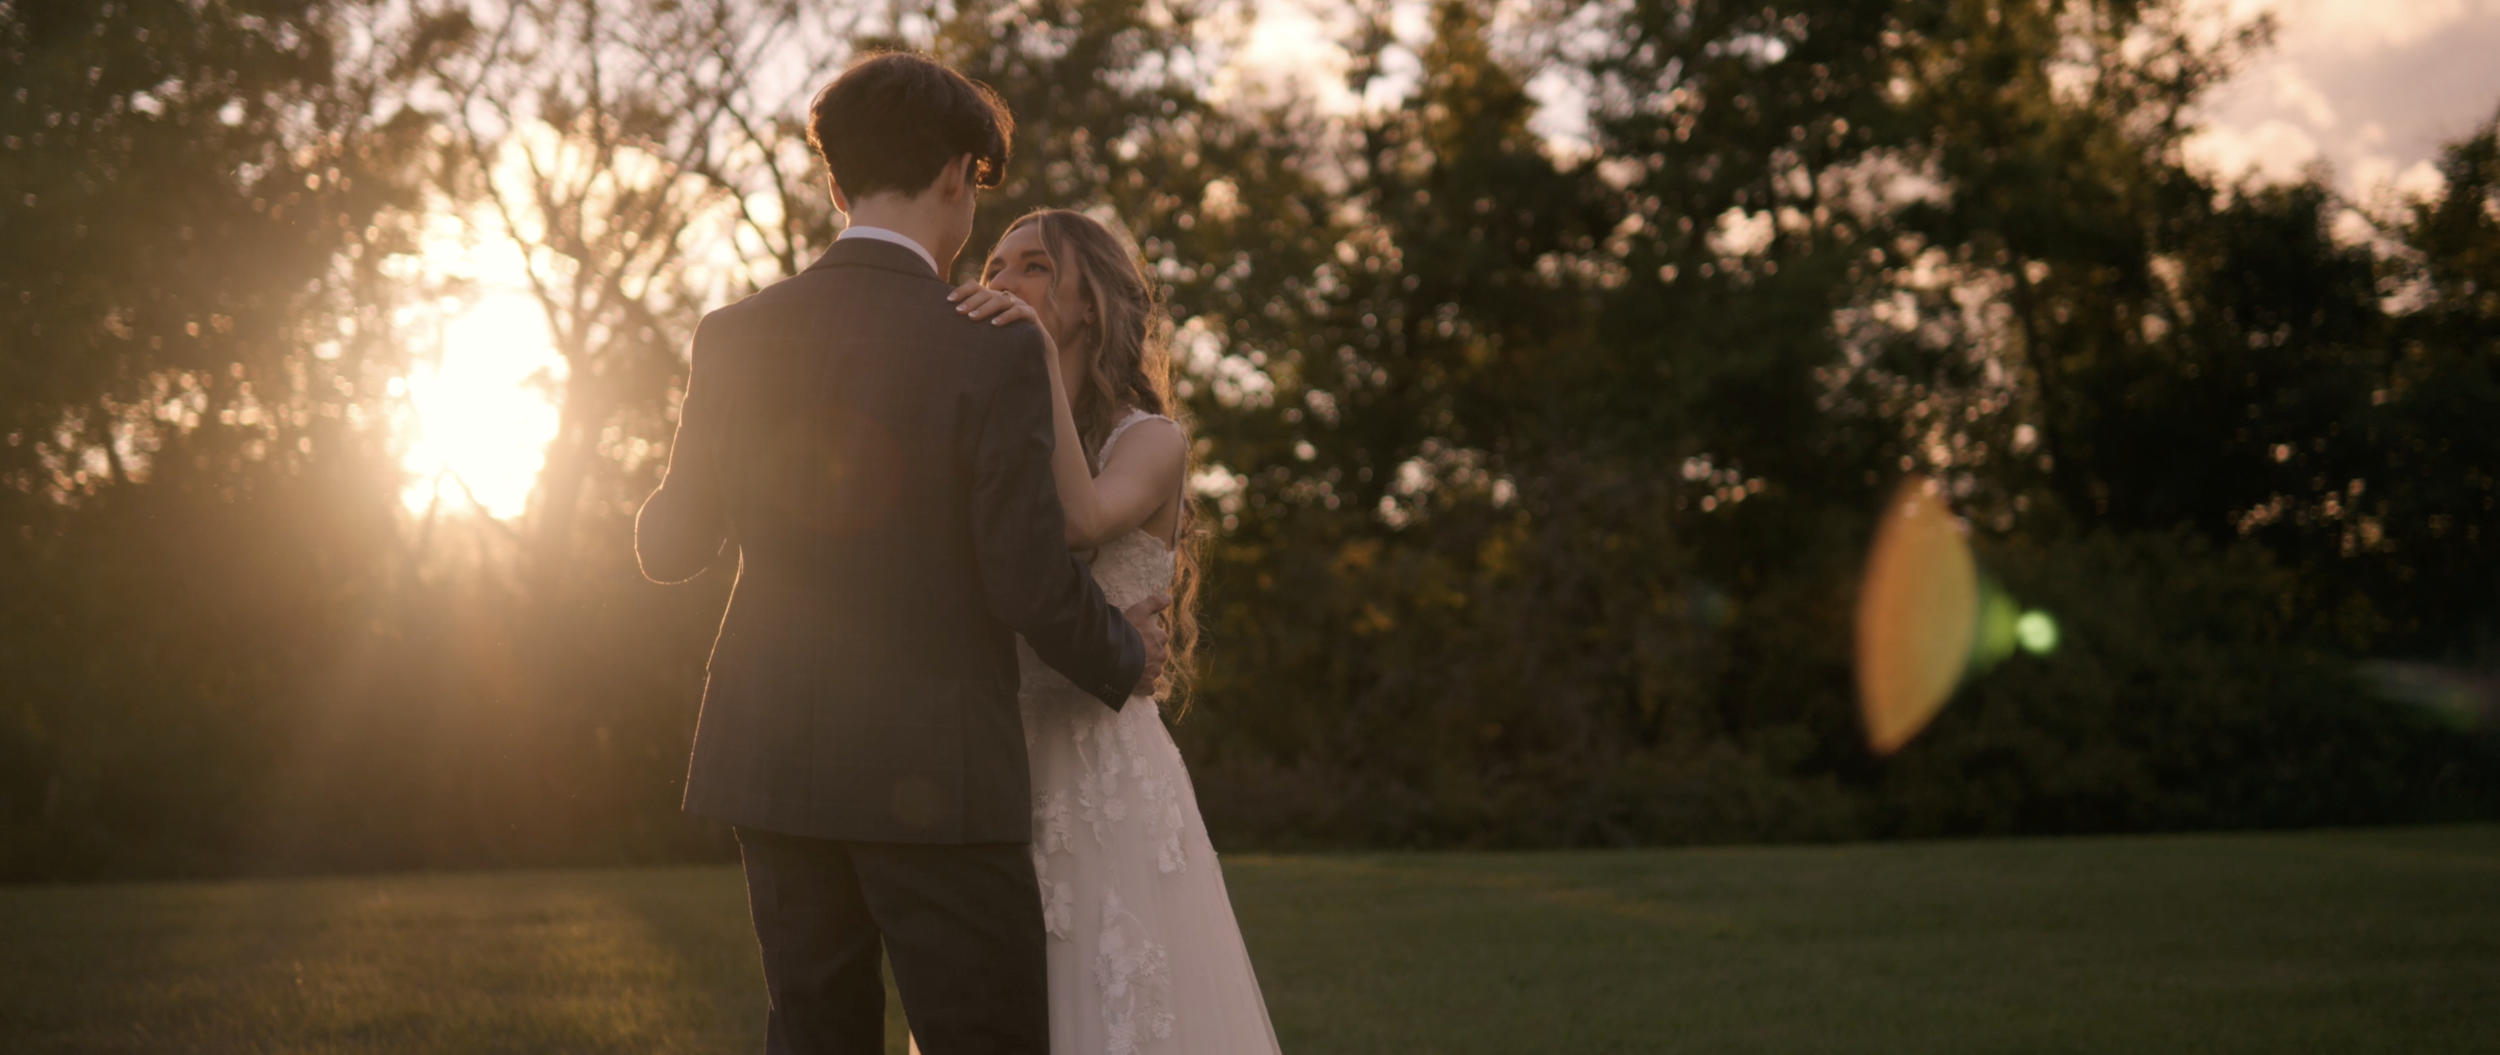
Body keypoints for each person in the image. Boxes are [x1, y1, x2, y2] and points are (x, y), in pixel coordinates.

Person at [634, 53, 1172, 1055]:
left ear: (836, 182)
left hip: (769, 753)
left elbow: (672, 543)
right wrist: (1121, 654)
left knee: (815, 1029)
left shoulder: (732, 333)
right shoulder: (989, 344)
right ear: (957, 179)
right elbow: (1021, 572)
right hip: (935, 765)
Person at [949, 210, 1285, 1055]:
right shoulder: (988, 438)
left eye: (1031, 268)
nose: (1001, 283)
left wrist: (1026, 358)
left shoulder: (1152, 439)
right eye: (994, 265)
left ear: (1088, 303)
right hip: (997, 763)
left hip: (1104, 774)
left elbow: (1080, 516)